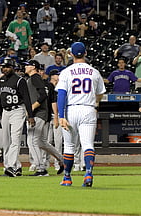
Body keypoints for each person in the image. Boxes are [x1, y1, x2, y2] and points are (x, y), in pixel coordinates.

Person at [56, 42, 106, 187]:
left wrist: (61, 115)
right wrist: (95, 104)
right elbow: (100, 93)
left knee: (69, 146)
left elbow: (61, 95)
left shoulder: (66, 72)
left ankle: (67, 177)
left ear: (71, 54)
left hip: (71, 109)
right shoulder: (94, 71)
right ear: (85, 53)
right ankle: (88, 173)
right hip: (88, 109)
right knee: (88, 144)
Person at [0, 57, 34, 177]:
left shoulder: (20, 81)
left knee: (15, 140)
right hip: (5, 112)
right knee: (5, 141)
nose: (5, 69)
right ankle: (17, 167)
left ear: (13, 68)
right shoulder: (2, 79)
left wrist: (30, 116)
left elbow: (27, 98)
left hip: (17, 110)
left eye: (8, 67)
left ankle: (10, 166)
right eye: (3, 67)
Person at [24, 59, 64, 176]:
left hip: (38, 113)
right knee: (41, 142)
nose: (25, 67)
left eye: (28, 65)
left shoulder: (35, 77)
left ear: (33, 67)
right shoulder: (34, 79)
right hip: (41, 114)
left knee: (32, 141)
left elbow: (43, 95)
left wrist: (32, 108)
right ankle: (62, 160)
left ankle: (41, 169)